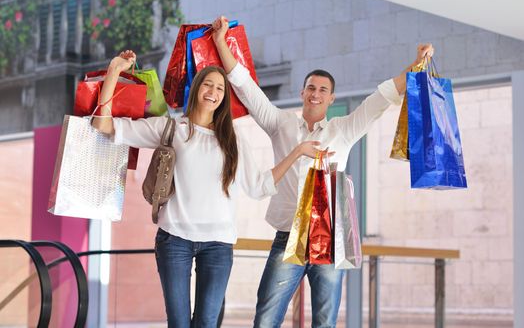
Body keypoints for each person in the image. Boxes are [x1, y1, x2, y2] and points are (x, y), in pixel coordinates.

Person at [211, 16, 434, 327]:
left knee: (325, 321)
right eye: (311, 88)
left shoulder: (343, 130)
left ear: (331, 98)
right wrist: (221, 41)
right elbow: (246, 87)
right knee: (265, 318)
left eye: (323, 90)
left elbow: (381, 99)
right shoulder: (280, 124)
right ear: (303, 93)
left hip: (329, 241)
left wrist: (416, 64)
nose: (315, 93)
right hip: (287, 238)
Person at [91, 50, 327, 328]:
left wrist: (297, 151)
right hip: (174, 240)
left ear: (224, 97)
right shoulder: (172, 129)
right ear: (197, 89)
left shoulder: (232, 139)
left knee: (206, 322)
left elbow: (260, 186)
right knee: (178, 323)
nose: (213, 91)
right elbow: (102, 125)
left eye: (220, 88)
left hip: (218, 245)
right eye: (208, 84)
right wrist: (114, 71)